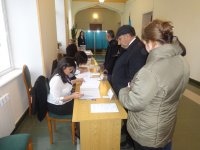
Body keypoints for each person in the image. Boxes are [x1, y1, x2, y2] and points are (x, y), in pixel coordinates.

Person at [119, 19, 190, 150]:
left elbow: (134, 103)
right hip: (166, 125)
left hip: (147, 132)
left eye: (145, 43)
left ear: (151, 43)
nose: (145, 47)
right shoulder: (182, 62)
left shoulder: (150, 71)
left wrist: (125, 90)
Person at [111, 25, 148, 149]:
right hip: (123, 90)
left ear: (127, 36)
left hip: (128, 93)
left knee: (129, 117)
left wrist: (127, 91)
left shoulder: (137, 49)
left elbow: (135, 77)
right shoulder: (131, 46)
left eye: (120, 39)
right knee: (126, 116)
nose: (119, 42)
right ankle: (126, 132)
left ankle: (130, 142)